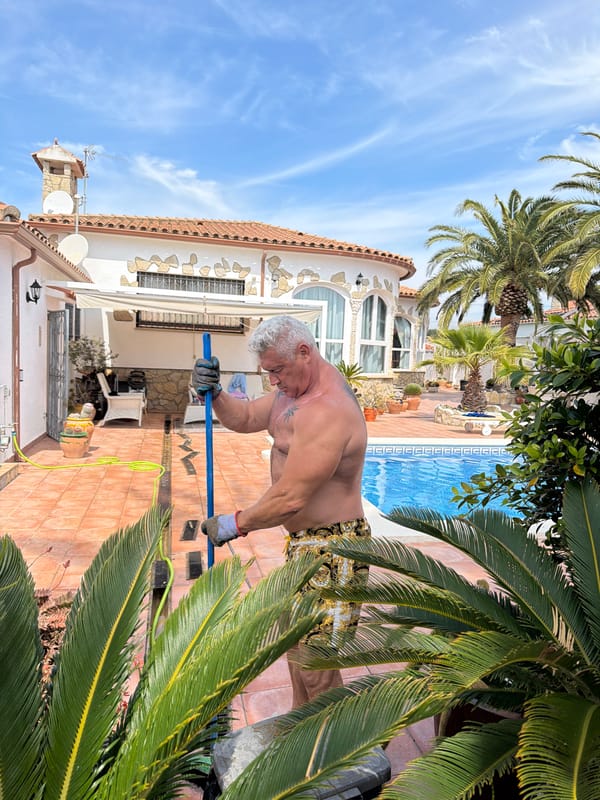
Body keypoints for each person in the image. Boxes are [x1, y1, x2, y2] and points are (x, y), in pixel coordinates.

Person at [196, 315, 370, 707]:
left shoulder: (328, 410)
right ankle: (298, 724)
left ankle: (329, 739)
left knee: (316, 663)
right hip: (304, 544)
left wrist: (234, 524)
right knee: (295, 643)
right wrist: (216, 393)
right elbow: (244, 418)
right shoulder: (290, 395)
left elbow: (291, 497)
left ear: (304, 352)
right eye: (268, 372)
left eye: (277, 370)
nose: (273, 381)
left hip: (335, 548)